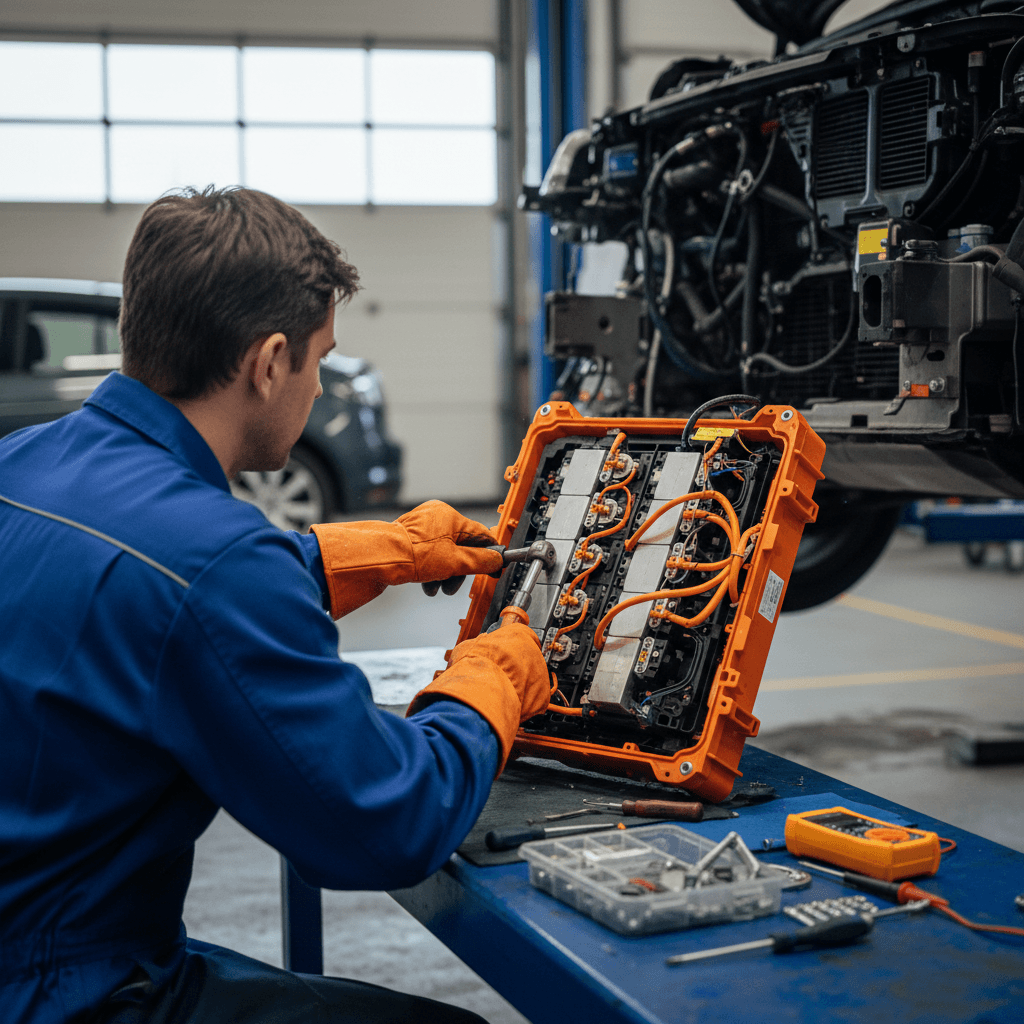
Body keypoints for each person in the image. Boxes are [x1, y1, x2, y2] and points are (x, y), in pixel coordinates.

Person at [0, 186, 551, 1024]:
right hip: (70, 991)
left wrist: (379, 551)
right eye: (318, 358)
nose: (319, 383)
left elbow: (153, 589)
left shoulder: (23, 463)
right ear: (266, 364)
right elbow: (388, 822)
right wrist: (492, 678)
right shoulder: (216, 559)